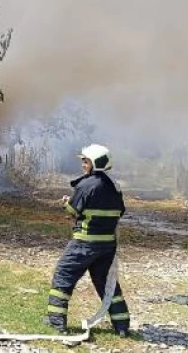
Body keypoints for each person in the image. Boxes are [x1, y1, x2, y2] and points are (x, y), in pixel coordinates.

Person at [45, 144, 130, 337]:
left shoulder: (86, 185)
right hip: (107, 246)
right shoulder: (114, 186)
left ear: (95, 163)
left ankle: (56, 323)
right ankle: (122, 326)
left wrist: (66, 203)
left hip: (84, 243)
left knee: (63, 277)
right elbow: (120, 212)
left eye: (86, 161)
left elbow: (74, 211)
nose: (83, 165)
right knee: (107, 284)